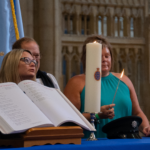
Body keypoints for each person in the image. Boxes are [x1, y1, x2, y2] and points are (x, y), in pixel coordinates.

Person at [64, 35, 150, 138]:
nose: (104, 59)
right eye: (99, 56)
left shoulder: (124, 80)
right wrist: (97, 115)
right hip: (94, 143)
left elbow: (137, 112)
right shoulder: (76, 83)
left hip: (127, 142)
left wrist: (146, 128)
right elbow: (69, 119)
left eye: (107, 56)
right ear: (88, 58)